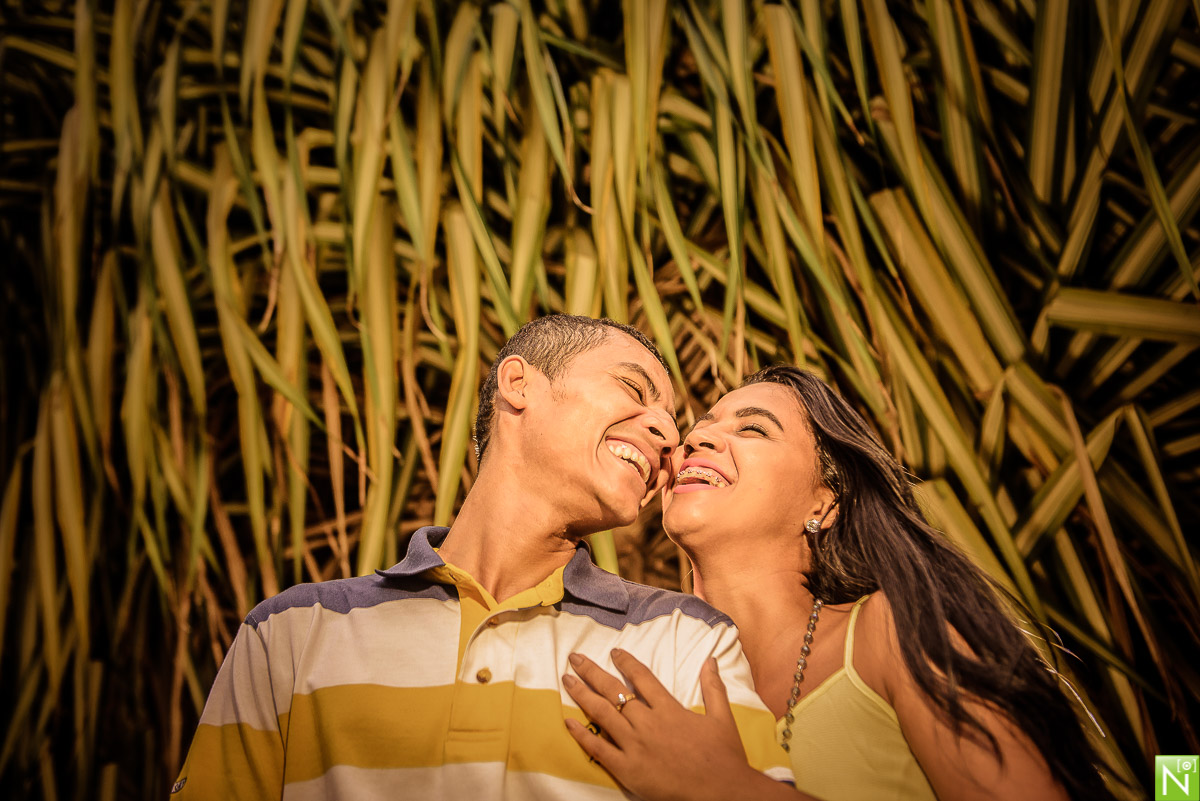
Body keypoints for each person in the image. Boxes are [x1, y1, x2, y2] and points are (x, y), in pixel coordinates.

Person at [171, 315, 791, 800]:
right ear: (518, 385)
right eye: (633, 389)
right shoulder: (291, 633)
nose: (669, 434)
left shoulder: (687, 642)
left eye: (670, 419)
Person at [563, 365, 1117, 801]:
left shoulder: (889, 632)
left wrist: (730, 789)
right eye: (700, 425)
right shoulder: (648, 681)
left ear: (825, 503)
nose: (697, 438)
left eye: (752, 429)